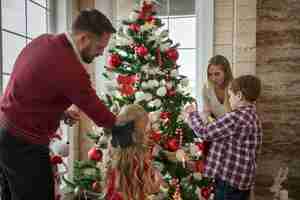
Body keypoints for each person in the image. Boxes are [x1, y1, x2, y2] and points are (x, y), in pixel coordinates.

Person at [0, 9, 126, 200]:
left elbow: (32, 91)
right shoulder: (69, 67)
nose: (101, 53)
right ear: (84, 38)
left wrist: (60, 112)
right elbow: (98, 112)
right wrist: (125, 129)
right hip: (23, 145)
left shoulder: (44, 42)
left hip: (5, 133)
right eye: (100, 47)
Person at [184, 75, 262, 200]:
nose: (229, 100)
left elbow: (204, 132)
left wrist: (192, 114)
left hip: (229, 180)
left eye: (230, 96)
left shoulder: (236, 117)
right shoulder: (253, 116)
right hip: (243, 178)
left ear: (240, 96)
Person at [106, 104, 164, 200]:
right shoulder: (140, 157)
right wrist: (158, 178)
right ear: (141, 131)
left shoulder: (112, 150)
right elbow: (151, 188)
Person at [202, 55, 233, 122]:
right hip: (216, 128)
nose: (213, 79)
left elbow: (236, 116)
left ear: (226, 73)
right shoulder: (207, 88)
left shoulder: (235, 88)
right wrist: (211, 121)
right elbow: (206, 112)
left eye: (217, 74)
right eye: (210, 74)